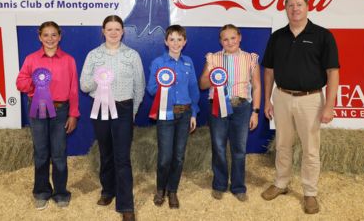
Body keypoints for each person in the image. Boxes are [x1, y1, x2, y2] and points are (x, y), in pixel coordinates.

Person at [260, 0, 340, 214]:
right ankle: (281, 183)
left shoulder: (323, 36)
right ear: (285, 9)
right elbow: (269, 71)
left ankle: (310, 192)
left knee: (310, 149)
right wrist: (267, 99)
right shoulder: (277, 37)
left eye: (299, 5)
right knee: (283, 144)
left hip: (311, 99)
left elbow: (333, 72)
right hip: (282, 96)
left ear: (307, 7)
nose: (295, 9)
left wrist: (329, 105)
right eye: (290, 5)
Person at [80, 15, 145, 221]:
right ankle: (108, 190)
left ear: (123, 31)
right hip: (100, 108)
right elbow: (84, 85)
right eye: (110, 29)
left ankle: (126, 204)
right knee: (105, 151)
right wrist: (97, 79)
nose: (114, 33)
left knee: (122, 157)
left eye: (118, 29)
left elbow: (139, 86)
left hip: (124, 108)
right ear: (103, 31)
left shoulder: (132, 55)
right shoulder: (93, 55)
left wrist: (133, 111)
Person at [16, 21, 79, 210]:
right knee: (41, 152)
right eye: (46, 35)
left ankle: (60, 192)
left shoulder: (69, 60)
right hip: (37, 109)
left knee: (59, 153)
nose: (50, 39)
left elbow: (73, 89)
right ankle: (42, 191)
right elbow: (20, 82)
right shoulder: (31, 59)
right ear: (39, 37)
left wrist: (73, 114)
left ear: (60, 37)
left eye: (53, 35)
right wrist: (35, 84)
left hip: (61, 110)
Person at [199, 24, 261, 202]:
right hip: (217, 106)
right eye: (225, 39)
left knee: (239, 149)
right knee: (218, 147)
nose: (230, 42)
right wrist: (209, 75)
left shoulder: (251, 58)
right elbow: (202, 85)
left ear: (239, 37)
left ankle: (238, 186)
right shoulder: (212, 58)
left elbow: (256, 86)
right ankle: (219, 184)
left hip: (241, 107)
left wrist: (255, 111)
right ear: (220, 41)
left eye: (233, 38)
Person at [146, 25, 199, 209]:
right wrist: (164, 83)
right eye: (172, 39)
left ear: (185, 42)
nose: (175, 43)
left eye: (179, 39)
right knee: (165, 157)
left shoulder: (188, 62)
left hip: (184, 114)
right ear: (165, 41)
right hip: (165, 114)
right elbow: (151, 89)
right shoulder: (158, 63)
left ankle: (173, 190)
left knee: (178, 156)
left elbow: (193, 88)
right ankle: (160, 189)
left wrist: (194, 112)